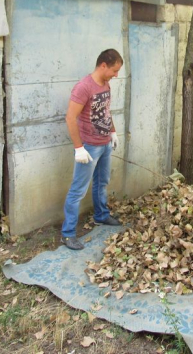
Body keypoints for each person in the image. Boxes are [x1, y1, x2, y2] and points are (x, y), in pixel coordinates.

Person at [61, 49, 123, 250]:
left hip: (104, 144)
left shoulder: (105, 84)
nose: (116, 75)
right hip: (88, 147)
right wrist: (79, 148)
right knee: (78, 190)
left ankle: (101, 216)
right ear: (103, 65)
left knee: (102, 182)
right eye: (114, 70)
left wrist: (112, 131)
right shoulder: (83, 87)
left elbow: (105, 111)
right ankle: (68, 234)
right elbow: (70, 118)